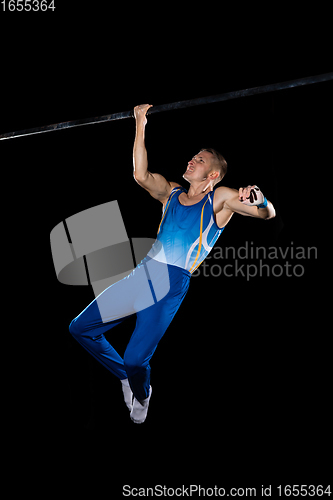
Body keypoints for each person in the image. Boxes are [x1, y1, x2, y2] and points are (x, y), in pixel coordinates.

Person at [69, 104, 276, 424]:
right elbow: (140, 174)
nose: (192, 159)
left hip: (170, 284)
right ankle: (125, 378)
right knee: (81, 328)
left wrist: (260, 200)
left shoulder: (218, 199)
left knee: (136, 359)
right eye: (193, 156)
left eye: (200, 159)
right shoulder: (171, 193)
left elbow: (267, 214)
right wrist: (140, 122)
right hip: (143, 274)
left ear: (213, 175)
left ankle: (141, 390)